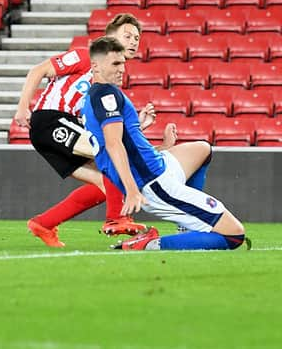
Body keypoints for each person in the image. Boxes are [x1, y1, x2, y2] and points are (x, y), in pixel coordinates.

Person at [81, 36, 246, 250]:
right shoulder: (106, 95)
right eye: (115, 63)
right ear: (95, 65)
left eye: (123, 63)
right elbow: (113, 145)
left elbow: (119, 140)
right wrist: (131, 191)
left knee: (202, 149)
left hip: (158, 164)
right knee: (234, 235)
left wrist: (141, 128)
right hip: (154, 182)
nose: (122, 69)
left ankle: (185, 226)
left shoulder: (93, 95)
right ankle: (150, 243)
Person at [14, 14, 152, 247]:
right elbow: (37, 71)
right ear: (109, 37)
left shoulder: (110, 78)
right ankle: (117, 219)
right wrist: (22, 107)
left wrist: (137, 125)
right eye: (127, 36)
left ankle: (44, 223)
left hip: (62, 130)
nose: (133, 42)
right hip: (51, 120)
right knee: (112, 157)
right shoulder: (84, 57)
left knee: (106, 183)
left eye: (137, 38)